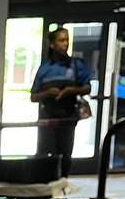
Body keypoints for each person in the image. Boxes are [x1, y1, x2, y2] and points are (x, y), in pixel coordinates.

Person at [30, 27, 91, 178]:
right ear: (52, 44)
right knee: (45, 155)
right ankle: (45, 187)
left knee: (66, 155)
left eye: (67, 40)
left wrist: (71, 90)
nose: (65, 44)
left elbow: (87, 88)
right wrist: (46, 93)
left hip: (68, 117)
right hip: (48, 116)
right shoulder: (44, 68)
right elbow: (33, 96)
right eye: (61, 40)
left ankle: (63, 184)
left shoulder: (76, 65)